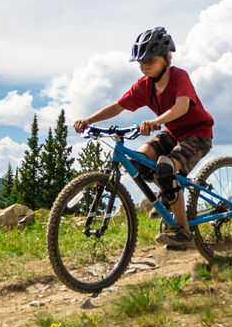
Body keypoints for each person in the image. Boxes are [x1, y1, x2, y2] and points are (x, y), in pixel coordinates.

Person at [73, 27, 214, 249]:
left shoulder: (179, 77)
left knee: (166, 168)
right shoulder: (144, 86)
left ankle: (183, 230)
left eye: (150, 60)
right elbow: (118, 106)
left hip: (198, 134)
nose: (144, 65)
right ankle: (170, 198)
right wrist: (89, 120)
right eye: (140, 62)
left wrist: (156, 122)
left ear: (166, 59)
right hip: (173, 133)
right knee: (140, 161)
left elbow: (181, 107)